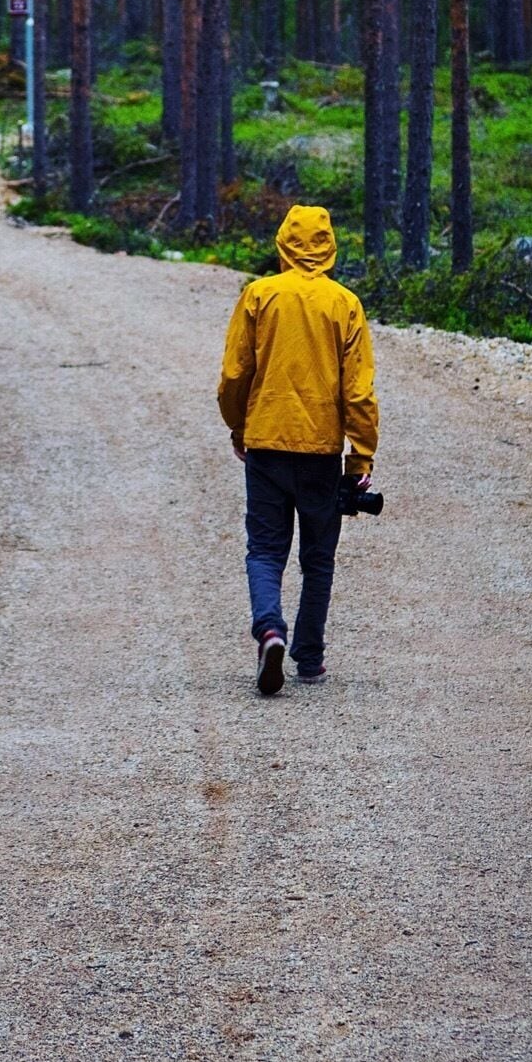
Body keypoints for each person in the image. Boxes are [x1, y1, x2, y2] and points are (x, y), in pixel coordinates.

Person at [215, 203, 379, 696]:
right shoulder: (344, 303)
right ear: (329, 248)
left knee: (266, 550)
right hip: (321, 452)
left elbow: (234, 374)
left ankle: (270, 631)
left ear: (283, 244)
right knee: (318, 558)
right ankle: (309, 657)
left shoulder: (259, 295)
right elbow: (358, 391)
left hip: (266, 444)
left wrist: (239, 427)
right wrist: (360, 455)